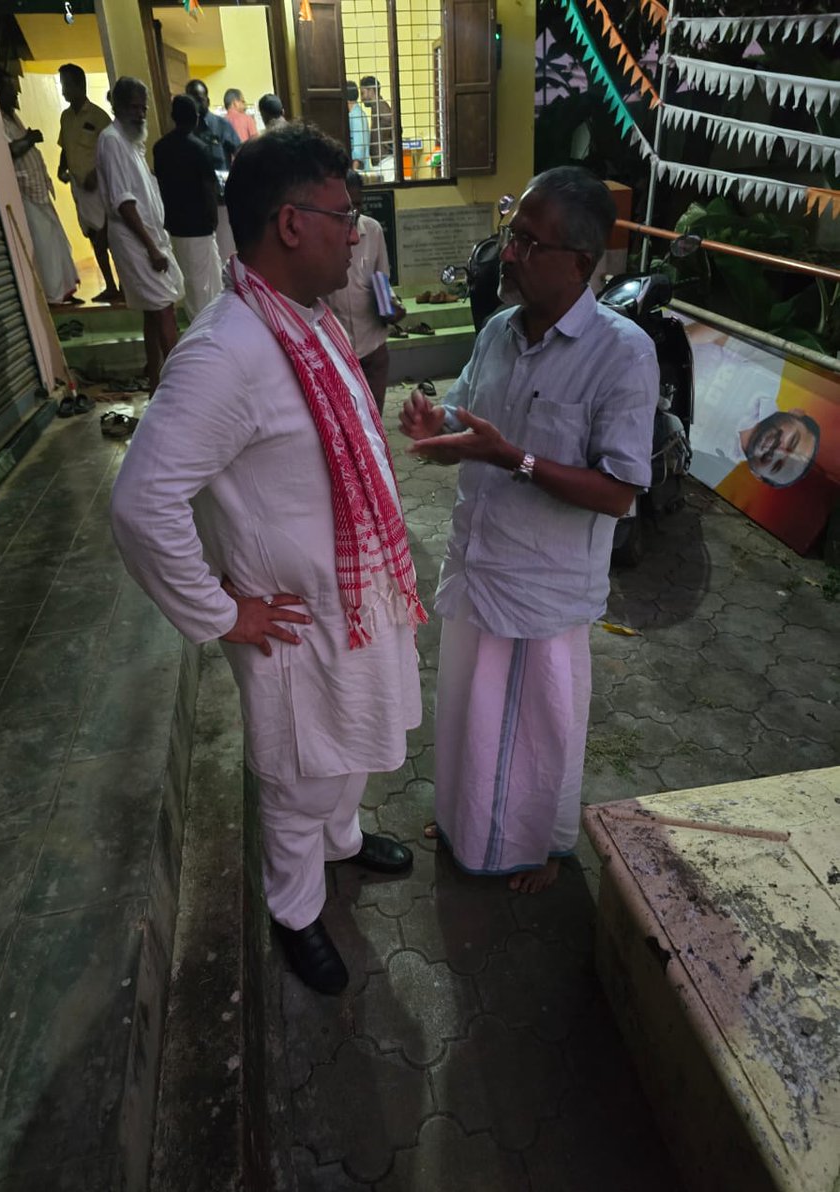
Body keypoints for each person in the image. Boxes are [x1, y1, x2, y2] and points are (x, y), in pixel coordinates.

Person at [110, 124, 425, 996]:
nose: (355, 232)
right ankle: (294, 908)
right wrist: (221, 612)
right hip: (291, 620)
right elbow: (142, 503)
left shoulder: (305, 317)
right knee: (298, 776)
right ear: (290, 224)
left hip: (350, 601)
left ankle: (344, 843)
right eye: (343, 214)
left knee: (346, 751)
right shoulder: (224, 352)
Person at [400, 166, 659, 894]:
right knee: (469, 715)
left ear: (579, 262)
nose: (508, 254)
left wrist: (511, 458)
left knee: (537, 729)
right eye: (511, 235)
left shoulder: (623, 353)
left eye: (528, 242)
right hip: (479, 563)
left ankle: (540, 847)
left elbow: (617, 491)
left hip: (544, 585)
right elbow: (465, 412)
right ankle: (462, 820)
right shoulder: (496, 332)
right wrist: (435, 421)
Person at [96, 76, 183, 393]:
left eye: (143, 108)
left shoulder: (130, 141)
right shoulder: (112, 140)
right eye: (133, 107)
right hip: (136, 241)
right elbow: (124, 202)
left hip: (148, 238)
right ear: (115, 106)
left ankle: (156, 383)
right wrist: (152, 248)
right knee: (163, 310)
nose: (140, 114)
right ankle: (179, 390)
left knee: (153, 311)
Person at [688, 327, 819, 488]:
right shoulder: (771, 368)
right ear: (796, 413)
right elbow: (719, 328)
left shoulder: (707, 465)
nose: (780, 450)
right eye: (792, 441)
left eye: (778, 465)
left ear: (757, 475)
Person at [0, 68, 79, 305]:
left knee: (56, 239)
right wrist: (30, 139)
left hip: (37, 188)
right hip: (25, 190)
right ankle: (53, 295)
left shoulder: (12, 116)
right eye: (11, 88)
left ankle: (66, 289)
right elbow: (8, 151)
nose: (17, 92)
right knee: (44, 244)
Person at [325, 170, 403, 414]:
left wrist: (390, 306)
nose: (353, 213)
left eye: (358, 204)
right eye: (347, 207)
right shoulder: (323, 237)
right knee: (346, 419)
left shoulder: (373, 230)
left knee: (373, 416)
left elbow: (381, 279)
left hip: (373, 345)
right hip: (336, 349)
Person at [153, 95, 221, 322]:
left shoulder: (160, 148)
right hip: (199, 224)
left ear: (173, 117)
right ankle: (206, 328)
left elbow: (160, 184)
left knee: (190, 280)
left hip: (174, 224)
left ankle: (200, 324)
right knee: (203, 284)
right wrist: (213, 218)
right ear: (196, 118)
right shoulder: (199, 148)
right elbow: (208, 186)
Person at [57, 62, 121, 303]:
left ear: (79, 85)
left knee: (110, 236)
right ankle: (111, 286)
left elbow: (111, 151)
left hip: (100, 189)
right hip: (80, 189)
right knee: (94, 237)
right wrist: (61, 167)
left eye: (67, 85)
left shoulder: (98, 117)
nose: (64, 90)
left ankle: (124, 284)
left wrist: (97, 172)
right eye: (62, 85)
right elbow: (65, 147)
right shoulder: (65, 118)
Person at [185, 79, 241, 262]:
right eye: (192, 99)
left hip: (222, 200)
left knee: (227, 252)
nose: (196, 103)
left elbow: (240, 153)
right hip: (197, 203)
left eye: (199, 99)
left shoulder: (221, 125)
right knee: (205, 258)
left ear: (207, 100)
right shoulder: (185, 131)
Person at [359, 76, 394, 180]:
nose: (362, 98)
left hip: (386, 163)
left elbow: (391, 120)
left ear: (371, 90)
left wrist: (388, 141)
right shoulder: (377, 107)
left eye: (363, 93)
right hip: (382, 163)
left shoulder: (381, 106)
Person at [346, 81, 369, 169]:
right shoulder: (355, 114)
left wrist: (353, 172)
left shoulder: (356, 116)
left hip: (358, 171)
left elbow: (358, 150)